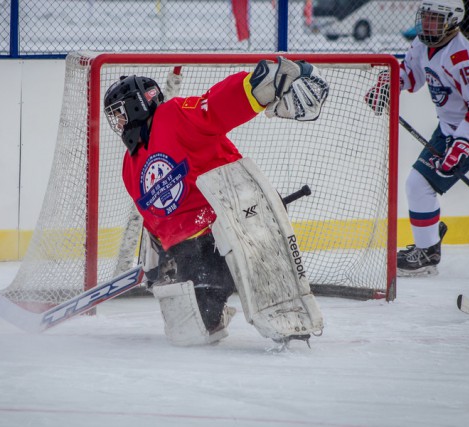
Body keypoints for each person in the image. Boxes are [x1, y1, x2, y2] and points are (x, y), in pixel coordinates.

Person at [103, 57, 328, 346]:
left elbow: (216, 108)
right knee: (193, 335)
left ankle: (293, 321)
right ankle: (221, 308)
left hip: (229, 227)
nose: (118, 122)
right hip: (189, 253)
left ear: (137, 104)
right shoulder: (130, 164)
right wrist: (159, 258)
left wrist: (261, 85)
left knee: (278, 310)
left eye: (119, 113)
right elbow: (154, 218)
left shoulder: (172, 117)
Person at [365, 0, 469, 277]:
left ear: (452, 21)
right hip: (450, 127)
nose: (427, 23)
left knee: (419, 184)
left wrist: (462, 144)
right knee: (417, 185)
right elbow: (411, 75)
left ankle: (428, 252)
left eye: (435, 19)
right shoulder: (423, 44)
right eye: (426, 17)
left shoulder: (463, 57)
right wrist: (389, 85)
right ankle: (428, 245)